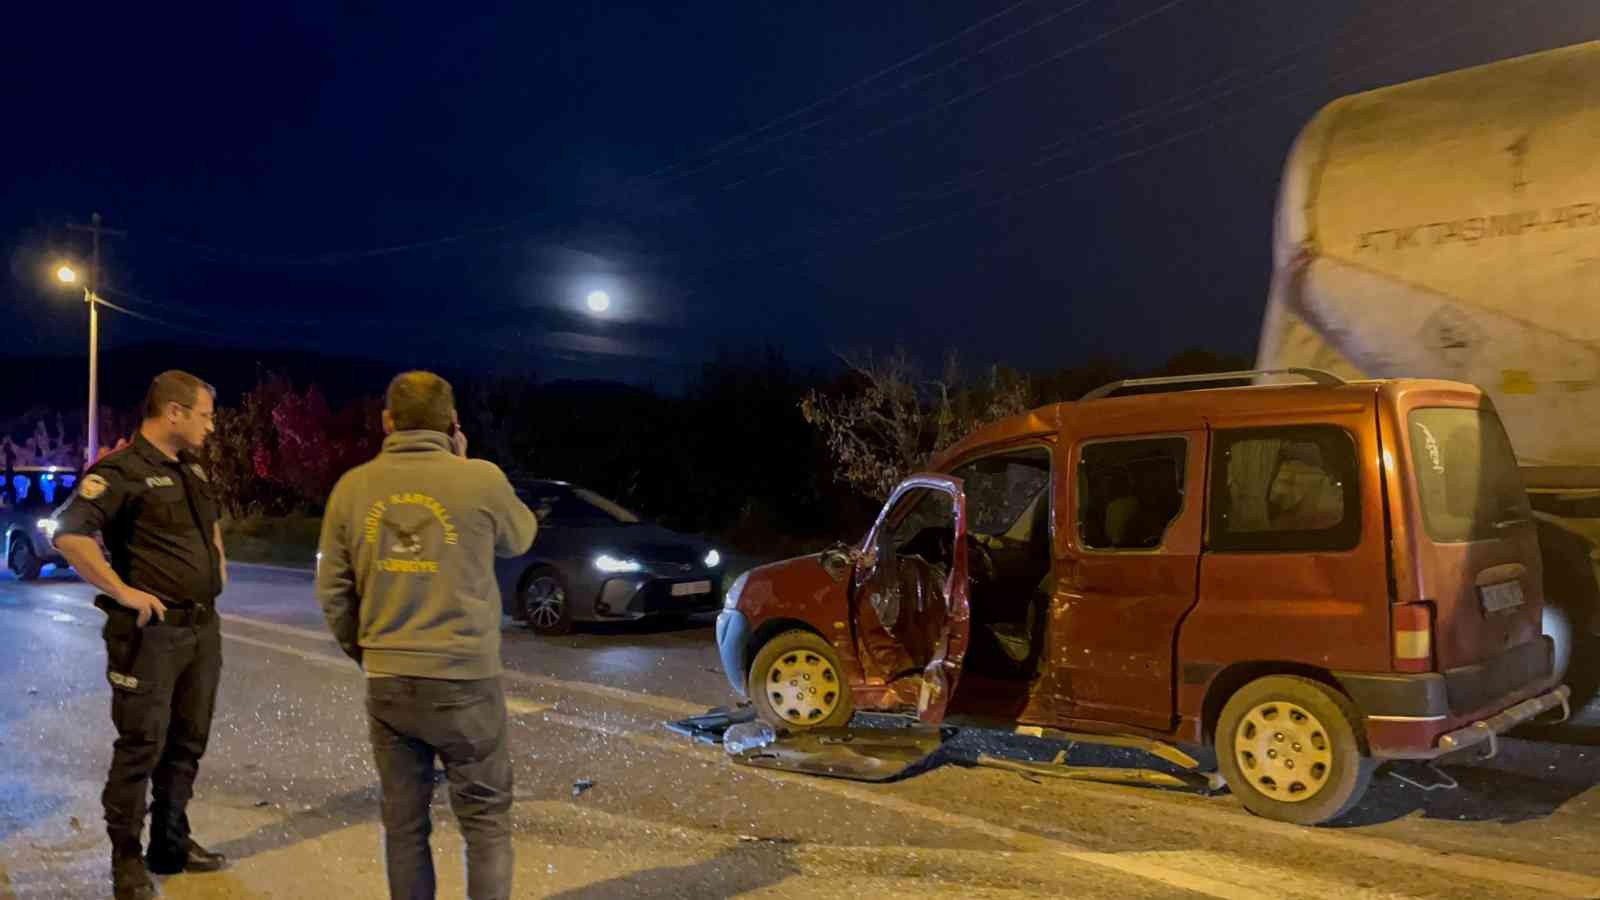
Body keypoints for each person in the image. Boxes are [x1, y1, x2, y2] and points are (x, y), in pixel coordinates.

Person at [315, 371, 536, 900]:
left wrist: (368, 651)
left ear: (387, 422)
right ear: (452, 423)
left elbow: (333, 591)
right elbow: (521, 536)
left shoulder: (352, 487)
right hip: (466, 680)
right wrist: (462, 465)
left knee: (405, 826)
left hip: (389, 680)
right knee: (485, 825)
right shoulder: (479, 478)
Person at [52, 370, 227, 900]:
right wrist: (124, 591)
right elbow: (69, 533)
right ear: (173, 412)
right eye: (205, 415)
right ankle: (125, 862)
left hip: (201, 630)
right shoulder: (121, 471)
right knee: (141, 747)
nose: (211, 427)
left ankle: (170, 843)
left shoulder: (190, 466)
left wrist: (216, 562)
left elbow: (209, 522)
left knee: (187, 742)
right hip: (150, 635)